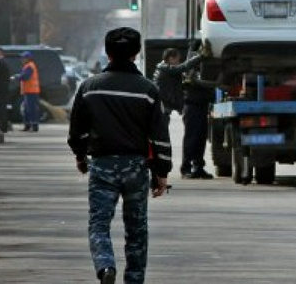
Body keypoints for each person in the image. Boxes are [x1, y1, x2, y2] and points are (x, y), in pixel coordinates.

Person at [67, 27, 171, 284]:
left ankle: (105, 266)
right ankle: (134, 280)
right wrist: (162, 172)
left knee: (99, 224)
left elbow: (77, 131)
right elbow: (159, 136)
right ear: (136, 53)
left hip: (102, 166)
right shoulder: (147, 90)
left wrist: (81, 156)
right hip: (136, 168)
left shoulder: (89, 88)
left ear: (107, 52)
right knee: (136, 230)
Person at [180, 50, 216, 179]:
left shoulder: (204, 69)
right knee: (191, 138)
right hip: (192, 106)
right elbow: (192, 82)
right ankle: (186, 168)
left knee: (201, 138)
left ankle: (198, 166)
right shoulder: (189, 70)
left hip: (202, 106)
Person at [152, 47, 202, 125]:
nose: (179, 62)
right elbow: (183, 67)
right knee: (162, 132)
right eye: (178, 59)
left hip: (163, 105)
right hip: (163, 105)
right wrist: (200, 56)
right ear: (171, 58)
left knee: (162, 131)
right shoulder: (166, 68)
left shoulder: (163, 68)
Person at [19, 51, 40, 132]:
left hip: (31, 91)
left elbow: (25, 77)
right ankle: (27, 126)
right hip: (29, 91)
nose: (21, 59)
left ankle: (34, 126)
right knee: (26, 109)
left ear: (28, 58)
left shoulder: (29, 66)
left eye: (23, 58)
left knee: (31, 109)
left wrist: (18, 77)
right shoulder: (28, 66)